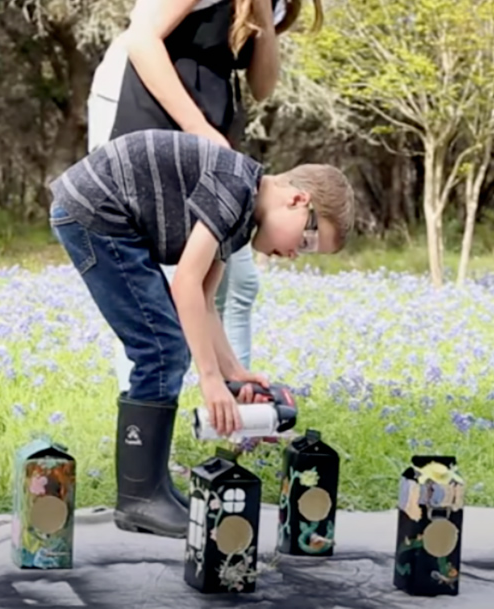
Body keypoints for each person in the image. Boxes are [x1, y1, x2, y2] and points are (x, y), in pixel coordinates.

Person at [48, 129, 354, 538]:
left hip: (107, 215)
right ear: (298, 200)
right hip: (96, 210)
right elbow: (185, 284)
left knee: (164, 345)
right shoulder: (234, 186)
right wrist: (209, 380)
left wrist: (232, 371)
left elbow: (205, 302)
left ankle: (151, 491)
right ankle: (139, 498)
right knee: (160, 348)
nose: (297, 252)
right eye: (307, 239)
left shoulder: (240, 218)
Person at [87, 0, 326, 408]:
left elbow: (262, 85)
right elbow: (142, 38)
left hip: (208, 118)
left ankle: (234, 407)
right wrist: (198, 130)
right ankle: (148, 421)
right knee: (147, 287)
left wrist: (265, 20)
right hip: (143, 99)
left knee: (234, 280)